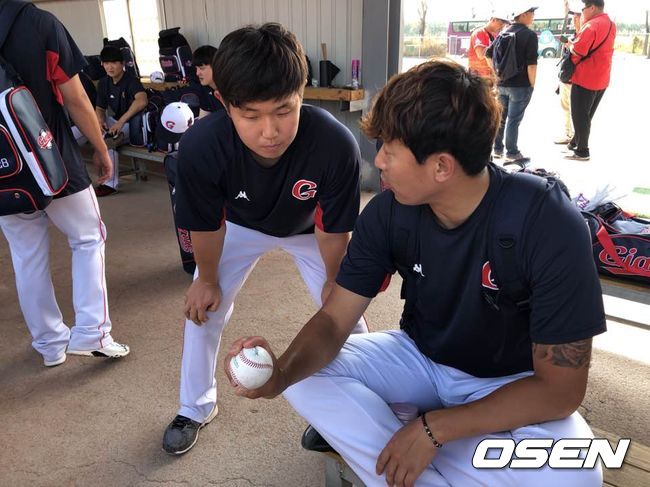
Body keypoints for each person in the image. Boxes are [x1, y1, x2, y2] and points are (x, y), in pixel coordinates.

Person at [225, 59, 606, 487]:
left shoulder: (545, 221)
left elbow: (560, 390)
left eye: (390, 148)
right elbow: (334, 320)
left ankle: (412, 442)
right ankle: (425, 461)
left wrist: (435, 429)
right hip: (419, 357)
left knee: (575, 473)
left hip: (509, 381)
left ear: (441, 166)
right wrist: (279, 376)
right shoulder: (388, 212)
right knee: (304, 375)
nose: (379, 161)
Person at [161, 23, 368, 455]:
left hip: (308, 229)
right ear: (223, 101)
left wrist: (336, 281)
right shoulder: (201, 146)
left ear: (302, 92)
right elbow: (207, 224)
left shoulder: (335, 143)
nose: (269, 131)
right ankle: (194, 407)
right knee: (202, 309)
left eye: (283, 110)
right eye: (251, 115)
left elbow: (333, 228)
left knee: (348, 311)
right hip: (239, 225)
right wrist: (207, 279)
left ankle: (356, 406)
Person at [0, 0, 129, 366]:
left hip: (4, 167)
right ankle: (92, 332)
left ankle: (49, 344)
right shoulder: (40, 23)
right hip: (51, 155)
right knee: (88, 237)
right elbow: (76, 98)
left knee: (26, 254)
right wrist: (101, 149)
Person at [564, 0, 616, 161]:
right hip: (602, 77)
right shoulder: (610, 24)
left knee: (579, 115)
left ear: (592, 7)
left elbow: (579, 50)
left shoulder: (591, 25)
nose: (582, 12)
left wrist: (570, 45)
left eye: (583, 8)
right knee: (586, 115)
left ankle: (582, 151)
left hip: (586, 77)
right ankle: (575, 142)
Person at [486, 4, 538, 163]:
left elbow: (488, 54)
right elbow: (532, 65)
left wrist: (496, 74)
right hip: (520, 86)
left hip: (501, 83)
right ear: (523, 14)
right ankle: (512, 152)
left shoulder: (503, 32)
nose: (533, 16)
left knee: (500, 118)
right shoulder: (530, 35)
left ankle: (497, 149)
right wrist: (532, 85)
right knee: (514, 120)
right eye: (531, 13)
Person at [94, 45, 148, 196]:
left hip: (133, 125)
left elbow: (142, 100)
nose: (110, 67)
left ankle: (110, 184)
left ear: (122, 63)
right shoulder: (104, 82)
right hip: (115, 122)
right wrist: (100, 120)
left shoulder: (131, 81)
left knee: (109, 140)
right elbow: (99, 107)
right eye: (106, 63)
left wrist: (121, 122)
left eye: (114, 63)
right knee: (92, 130)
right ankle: (93, 177)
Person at [554, 12, 582, 146]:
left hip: (575, 81)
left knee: (575, 111)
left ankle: (576, 137)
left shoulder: (583, 37)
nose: (574, 21)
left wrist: (571, 46)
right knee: (565, 109)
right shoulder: (573, 37)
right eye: (573, 19)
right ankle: (568, 134)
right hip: (565, 79)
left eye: (577, 18)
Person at [467, 15, 509, 82]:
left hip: (489, 76)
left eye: (503, 25)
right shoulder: (479, 33)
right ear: (493, 20)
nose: (502, 27)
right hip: (478, 76)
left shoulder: (494, 35)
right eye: (501, 24)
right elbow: (480, 54)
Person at [191, 45, 224, 118]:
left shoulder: (230, 90)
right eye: (196, 68)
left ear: (216, 66)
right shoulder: (204, 89)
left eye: (201, 68)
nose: (197, 73)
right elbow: (203, 117)